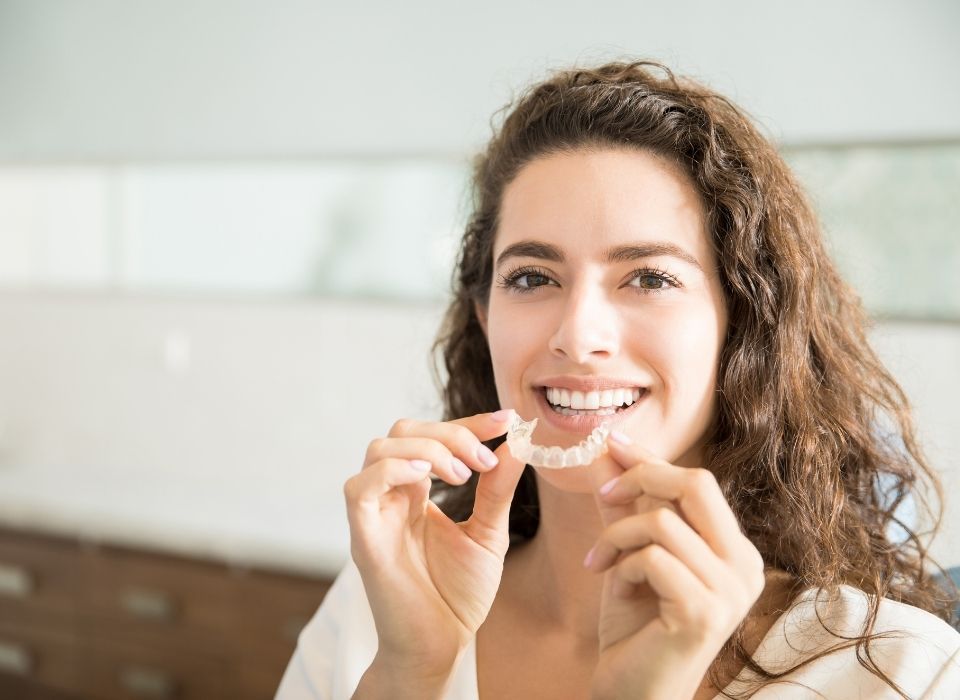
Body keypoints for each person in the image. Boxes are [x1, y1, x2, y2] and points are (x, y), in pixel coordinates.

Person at [275, 60, 960, 699]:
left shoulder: (900, 671)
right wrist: (408, 672)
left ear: (743, 324)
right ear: (485, 319)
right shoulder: (382, 607)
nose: (577, 334)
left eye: (649, 278)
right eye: (533, 277)